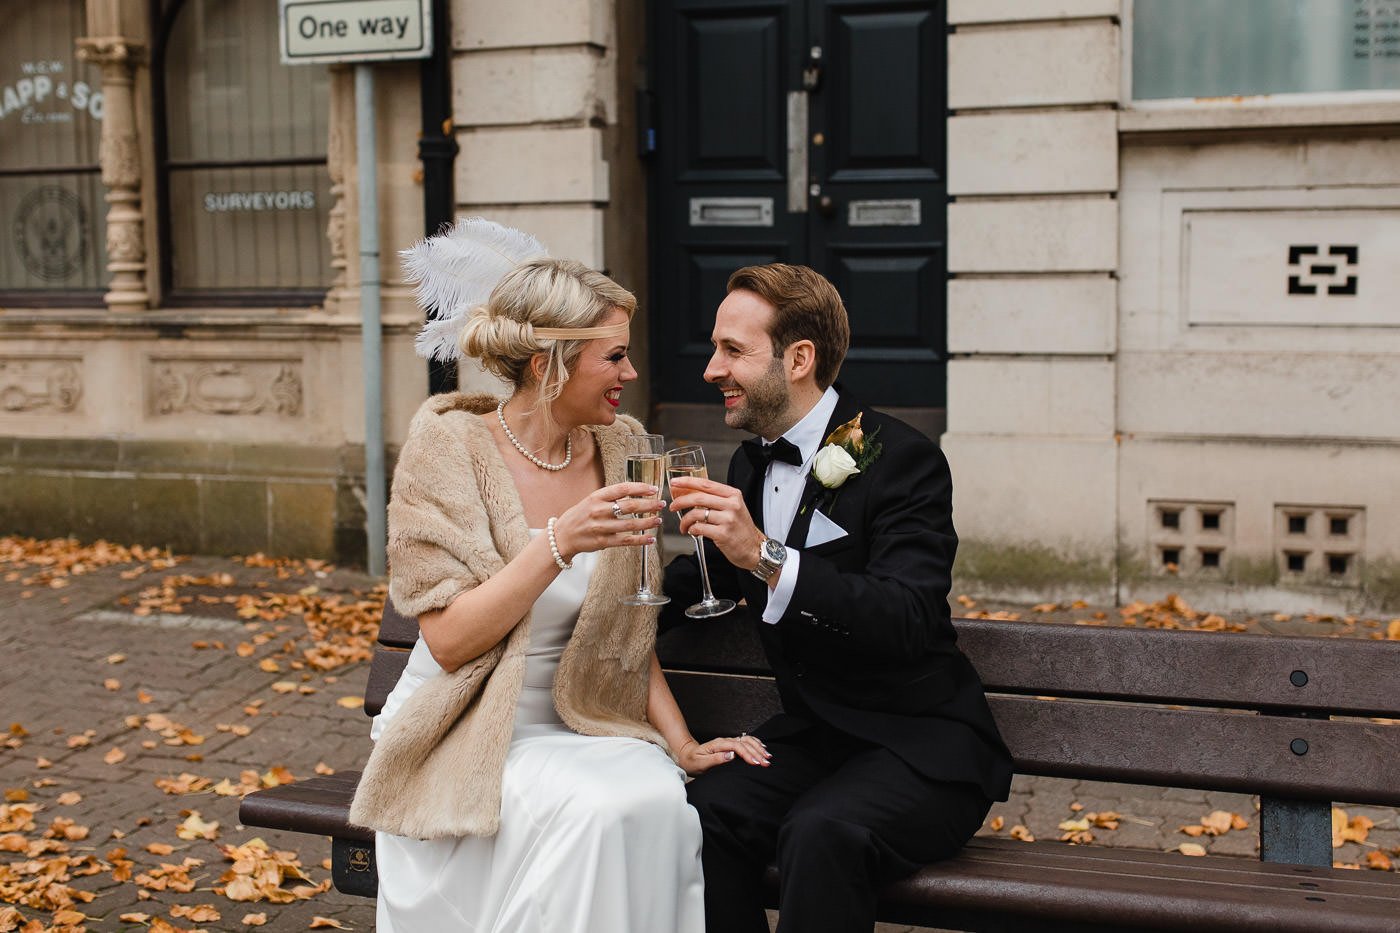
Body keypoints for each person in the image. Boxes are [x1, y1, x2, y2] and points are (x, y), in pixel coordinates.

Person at [349, 237, 760, 933]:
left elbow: (628, 625)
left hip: (588, 720)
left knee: (657, 800)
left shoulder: (622, 445)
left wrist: (683, 742)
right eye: (613, 355)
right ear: (549, 364)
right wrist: (557, 543)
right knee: (598, 811)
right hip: (473, 725)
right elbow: (449, 641)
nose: (629, 371)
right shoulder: (447, 450)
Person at [662, 262, 1015, 933]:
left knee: (822, 834)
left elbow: (907, 617)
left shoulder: (899, 458)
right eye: (715, 348)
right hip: (819, 738)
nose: (711, 369)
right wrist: (577, 601)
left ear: (799, 359)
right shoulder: (749, 463)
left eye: (733, 350)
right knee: (699, 814)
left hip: (921, 747)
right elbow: (697, 583)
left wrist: (763, 555)